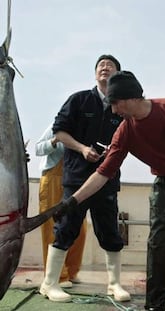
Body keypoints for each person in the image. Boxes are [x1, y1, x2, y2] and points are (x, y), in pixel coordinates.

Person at [54, 70, 165, 311]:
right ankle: (155, 305)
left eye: (116, 103)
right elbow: (103, 173)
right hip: (164, 185)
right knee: (158, 246)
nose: (113, 110)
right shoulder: (125, 131)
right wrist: (72, 202)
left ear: (131, 97)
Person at [39, 55, 131, 303]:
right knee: (66, 228)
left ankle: (114, 284)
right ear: (95, 74)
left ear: (118, 76)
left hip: (107, 181)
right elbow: (59, 131)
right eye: (100, 65)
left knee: (110, 231)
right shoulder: (78, 100)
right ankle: (49, 284)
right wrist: (81, 149)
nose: (104, 67)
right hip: (77, 178)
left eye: (110, 66)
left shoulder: (122, 108)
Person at [35, 123, 87, 288]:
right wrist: (55, 140)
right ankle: (57, 275)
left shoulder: (87, 128)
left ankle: (71, 272)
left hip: (74, 181)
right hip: (53, 179)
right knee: (52, 227)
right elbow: (38, 149)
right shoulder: (57, 125)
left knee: (79, 227)